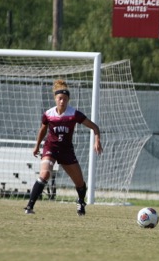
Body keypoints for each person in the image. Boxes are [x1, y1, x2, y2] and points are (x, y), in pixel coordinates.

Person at [24, 79, 103, 216]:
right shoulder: (48, 114)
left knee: (80, 183)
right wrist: (37, 146)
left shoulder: (74, 114)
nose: (62, 101)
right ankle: (29, 206)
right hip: (51, 147)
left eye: (65, 99)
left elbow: (95, 127)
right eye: (60, 98)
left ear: (68, 100)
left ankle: (80, 201)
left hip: (66, 150)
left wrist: (97, 140)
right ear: (55, 98)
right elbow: (42, 130)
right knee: (45, 174)